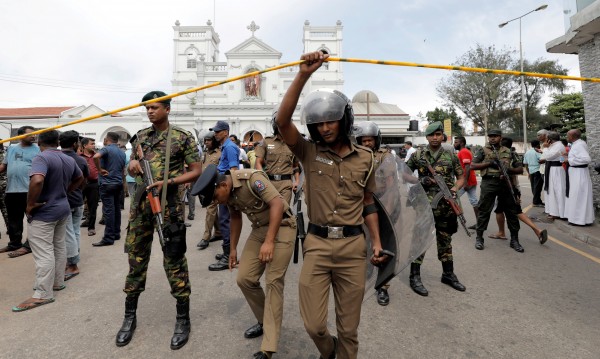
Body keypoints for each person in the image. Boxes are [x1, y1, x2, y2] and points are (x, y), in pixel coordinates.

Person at [275, 51, 386, 359]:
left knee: (349, 330)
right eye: (318, 123)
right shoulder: (308, 153)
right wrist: (303, 75)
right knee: (314, 325)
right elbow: (282, 121)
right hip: (317, 246)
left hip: (352, 248)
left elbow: (368, 204)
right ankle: (328, 351)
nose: (324, 127)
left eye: (330, 121)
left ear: (343, 119)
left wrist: (375, 243)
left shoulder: (365, 158)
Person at [115, 91, 202, 349]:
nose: (150, 112)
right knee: (136, 259)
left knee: (174, 260)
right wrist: (131, 165)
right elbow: (133, 161)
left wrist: (170, 181)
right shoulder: (140, 136)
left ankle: (183, 318)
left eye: (154, 108)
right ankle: (129, 316)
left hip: (169, 208)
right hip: (141, 208)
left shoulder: (182, 137)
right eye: (147, 108)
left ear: (167, 109)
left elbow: (196, 171)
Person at [193, 165, 296, 359]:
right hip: (259, 229)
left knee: (273, 282)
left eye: (215, 197)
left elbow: (277, 204)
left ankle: (268, 347)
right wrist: (232, 249)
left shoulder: (251, 179)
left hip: (282, 225)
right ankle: (265, 320)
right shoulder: (227, 191)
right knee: (245, 279)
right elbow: (235, 216)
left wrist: (269, 241)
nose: (217, 201)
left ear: (223, 185)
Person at [12, 130, 83, 312]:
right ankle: (58, 283)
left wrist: (30, 204)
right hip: (62, 207)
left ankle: (43, 294)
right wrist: (64, 192)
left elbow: (37, 180)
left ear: (39, 140)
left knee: (44, 252)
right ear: (57, 141)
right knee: (59, 247)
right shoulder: (68, 159)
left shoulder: (41, 157)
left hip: (45, 212)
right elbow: (80, 178)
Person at [405, 122, 466, 297]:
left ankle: (448, 274)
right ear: (426, 137)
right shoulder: (418, 155)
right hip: (423, 206)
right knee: (420, 240)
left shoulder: (450, 156)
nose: (434, 137)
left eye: (438, 134)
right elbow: (404, 173)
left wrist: (454, 189)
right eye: (431, 135)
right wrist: (419, 180)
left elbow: (461, 177)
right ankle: (414, 276)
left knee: (445, 240)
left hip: (445, 207)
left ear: (442, 136)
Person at [353, 121, 396, 306]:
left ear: (376, 140)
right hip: (361, 206)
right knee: (362, 243)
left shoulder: (385, 156)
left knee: (384, 247)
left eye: (370, 140)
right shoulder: (354, 156)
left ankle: (383, 286)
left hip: (384, 204)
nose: (367, 143)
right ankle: (365, 276)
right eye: (363, 140)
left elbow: (391, 185)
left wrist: (386, 211)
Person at [471, 129, 524, 253]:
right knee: (484, 210)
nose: (492, 138)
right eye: (490, 136)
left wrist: (508, 170)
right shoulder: (482, 150)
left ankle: (514, 240)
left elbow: (520, 169)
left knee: (511, 212)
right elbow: (473, 166)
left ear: (500, 137)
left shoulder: (509, 151)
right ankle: (479, 238)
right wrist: (490, 163)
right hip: (489, 183)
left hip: (505, 183)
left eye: (495, 136)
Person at [487, 138, 548, 245]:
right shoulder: (513, 155)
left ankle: (537, 230)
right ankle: (502, 232)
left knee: (516, 212)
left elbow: (511, 172)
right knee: (500, 210)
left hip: (509, 189)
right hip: (513, 188)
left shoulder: (507, 157)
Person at [0, 126, 39, 257]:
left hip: (29, 190)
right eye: (31, 134)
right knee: (13, 220)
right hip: (11, 190)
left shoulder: (38, 150)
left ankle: (29, 245)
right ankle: (14, 243)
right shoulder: (11, 148)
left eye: (35, 134)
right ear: (20, 135)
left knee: (32, 219)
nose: (34, 136)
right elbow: (4, 166)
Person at [208, 121, 239, 271]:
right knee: (223, 220)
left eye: (218, 131)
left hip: (226, 189)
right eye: (215, 131)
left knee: (225, 221)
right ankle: (227, 251)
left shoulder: (230, 147)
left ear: (226, 132)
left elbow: (233, 170)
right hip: (222, 186)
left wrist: (228, 194)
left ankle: (228, 255)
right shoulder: (225, 146)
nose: (215, 133)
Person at [60, 131, 89, 281]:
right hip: (77, 199)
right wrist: (77, 191)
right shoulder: (81, 160)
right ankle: (74, 256)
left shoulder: (57, 158)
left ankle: (72, 263)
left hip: (65, 201)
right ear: (75, 144)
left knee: (68, 232)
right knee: (75, 231)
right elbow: (84, 180)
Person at [255, 110, 300, 205]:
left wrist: (297, 182)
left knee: (284, 211)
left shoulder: (293, 143)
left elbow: (295, 166)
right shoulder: (266, 142)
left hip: (286, 184)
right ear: (275, 125)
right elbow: (258, 162)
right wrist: (262, 180)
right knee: (271, 212)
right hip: (269, 183)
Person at [92, 132, 126, 246]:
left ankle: (108, 237)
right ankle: (116, 233)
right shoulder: (122, 152)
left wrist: (99, 169)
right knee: (116, 209)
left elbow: (96, 156)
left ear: (106, 140)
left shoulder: (106, 149)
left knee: (109, 211)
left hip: (107, 183)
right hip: (118, 183)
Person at [197, 130, 223, 250]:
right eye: (205, 140)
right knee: (212, 209)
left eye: (209, 140)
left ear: (215, 141)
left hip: (214, 187)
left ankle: (206, 237)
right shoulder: (205, 154)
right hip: (205, 186)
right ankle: (218, 232)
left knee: (210, 210)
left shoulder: (220, 154)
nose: (206, 142)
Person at [564, 129, 594, 226]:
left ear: (572, 136)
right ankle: (577, 219)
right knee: (576, 195)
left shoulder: (579, 144)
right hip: (575, 173)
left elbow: (586, 159)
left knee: (579, 196)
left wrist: (570, 160)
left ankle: (579, 220)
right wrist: (568, 158)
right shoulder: (576, 144)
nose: (566, 137)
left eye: (568, 135)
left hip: (579, 173)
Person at [538, 131, 566, 220]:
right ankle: (553, 211)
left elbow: (548, 156)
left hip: (556, 170)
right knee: (552, 190)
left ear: (550, 139)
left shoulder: (558, 146)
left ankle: (558, 212)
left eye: (547, 139)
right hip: (552, 169)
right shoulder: (554, 145)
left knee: (557, 190)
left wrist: (545, 148)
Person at [454, 136, 479, 230]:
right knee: (474, 201)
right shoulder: (462, 151)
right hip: (468, 180)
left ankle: (454, 221)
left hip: (466, 181)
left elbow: (467, 167)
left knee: (453, 199)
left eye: (456, 142)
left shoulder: (463, 152)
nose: (454, 144)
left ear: (462, 143)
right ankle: (479, 223)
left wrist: (465, 182)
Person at [80, 138, 99, 236]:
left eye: (94, 143)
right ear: (84, 146)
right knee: (78, 205)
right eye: (91, 144)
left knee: (93, 206)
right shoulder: (79, 157)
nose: (93, 145)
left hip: (94, 184)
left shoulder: (97, 156)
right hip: (80, 184)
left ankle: (91, 227)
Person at [523, 139, 544, 207]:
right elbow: (542, 160)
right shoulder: (537, 152)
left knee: (533, 186)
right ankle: (536, 202)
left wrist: (528, 172)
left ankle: (538, 200)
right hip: (538, 170)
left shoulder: (527, 152)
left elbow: (525, 164)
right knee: (538, 187)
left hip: (531, 170)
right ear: (538, 145)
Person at [0, 141, 9, 232]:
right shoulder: (6, 155)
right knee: (6, 209)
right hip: (5, 185)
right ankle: (10, 230)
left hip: (3, 185)